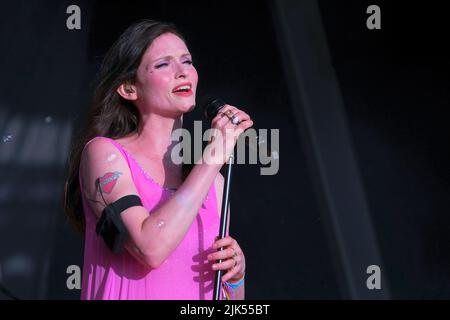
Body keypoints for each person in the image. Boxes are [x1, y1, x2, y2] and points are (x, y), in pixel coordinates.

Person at [63, 19, 253, 300]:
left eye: (187, 61)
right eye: (164, 64)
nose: (182, 72)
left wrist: (236, 278)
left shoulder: (213, 183)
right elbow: (150, 248)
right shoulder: (104, 154)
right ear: (129, 88)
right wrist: (215, 154)